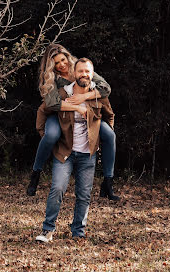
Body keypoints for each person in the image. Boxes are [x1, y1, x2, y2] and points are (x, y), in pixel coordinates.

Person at [35, 58, 115, 242]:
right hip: (65, 153)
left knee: (84, 195)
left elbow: (110, 116)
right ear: (74, 73)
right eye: (80, 72)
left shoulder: (98, 95)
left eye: (87, 72)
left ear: (92, 73)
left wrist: (102, 139)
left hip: (88, 154)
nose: (84, 75)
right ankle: (47, 230)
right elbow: (44, 109)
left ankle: (78, 232)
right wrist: (44, 134)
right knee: (57, 188)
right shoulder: (63, 93)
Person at [26, 44, 119, 200]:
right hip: (59, 115)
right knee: (51, 135)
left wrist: (83, 97)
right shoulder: (50, 78)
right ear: (51, 66)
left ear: (67, 57)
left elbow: (105, 88)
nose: (62, 65)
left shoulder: (79, 68)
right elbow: (52, 104)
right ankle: (36, 173)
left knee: (109, 135)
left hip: (87, 115)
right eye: (56, 63)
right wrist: (76, 107)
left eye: (63, 60)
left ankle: (108, 182)